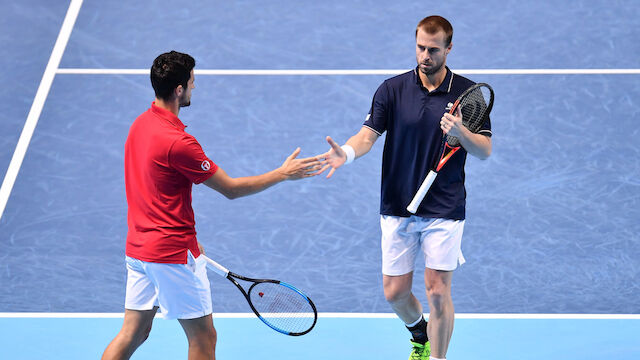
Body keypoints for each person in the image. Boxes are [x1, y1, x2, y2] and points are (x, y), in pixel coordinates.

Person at [101, 51, 322, 360]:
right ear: (179, 90)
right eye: (192, 82)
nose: (194, 87)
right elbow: (231, 189)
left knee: (134, 332)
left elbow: (150, 187)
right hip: (171, 255)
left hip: (138, 250)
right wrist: (282, 174)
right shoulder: (179, 144)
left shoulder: (140, 124)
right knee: (203, 339)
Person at [316, 16, 492, 360]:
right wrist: (347, 153)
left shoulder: (467, 95)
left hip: (444, 204)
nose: (425, 55)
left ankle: (437, 357)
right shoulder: (392, 89)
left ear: (449, 49)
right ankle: (419, 333)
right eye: (420, 47)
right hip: (398, 202)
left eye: (433, 49)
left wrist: (461, 133)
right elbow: (367, 136)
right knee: (395, 293)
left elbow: (484, 149)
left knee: (437, 291)